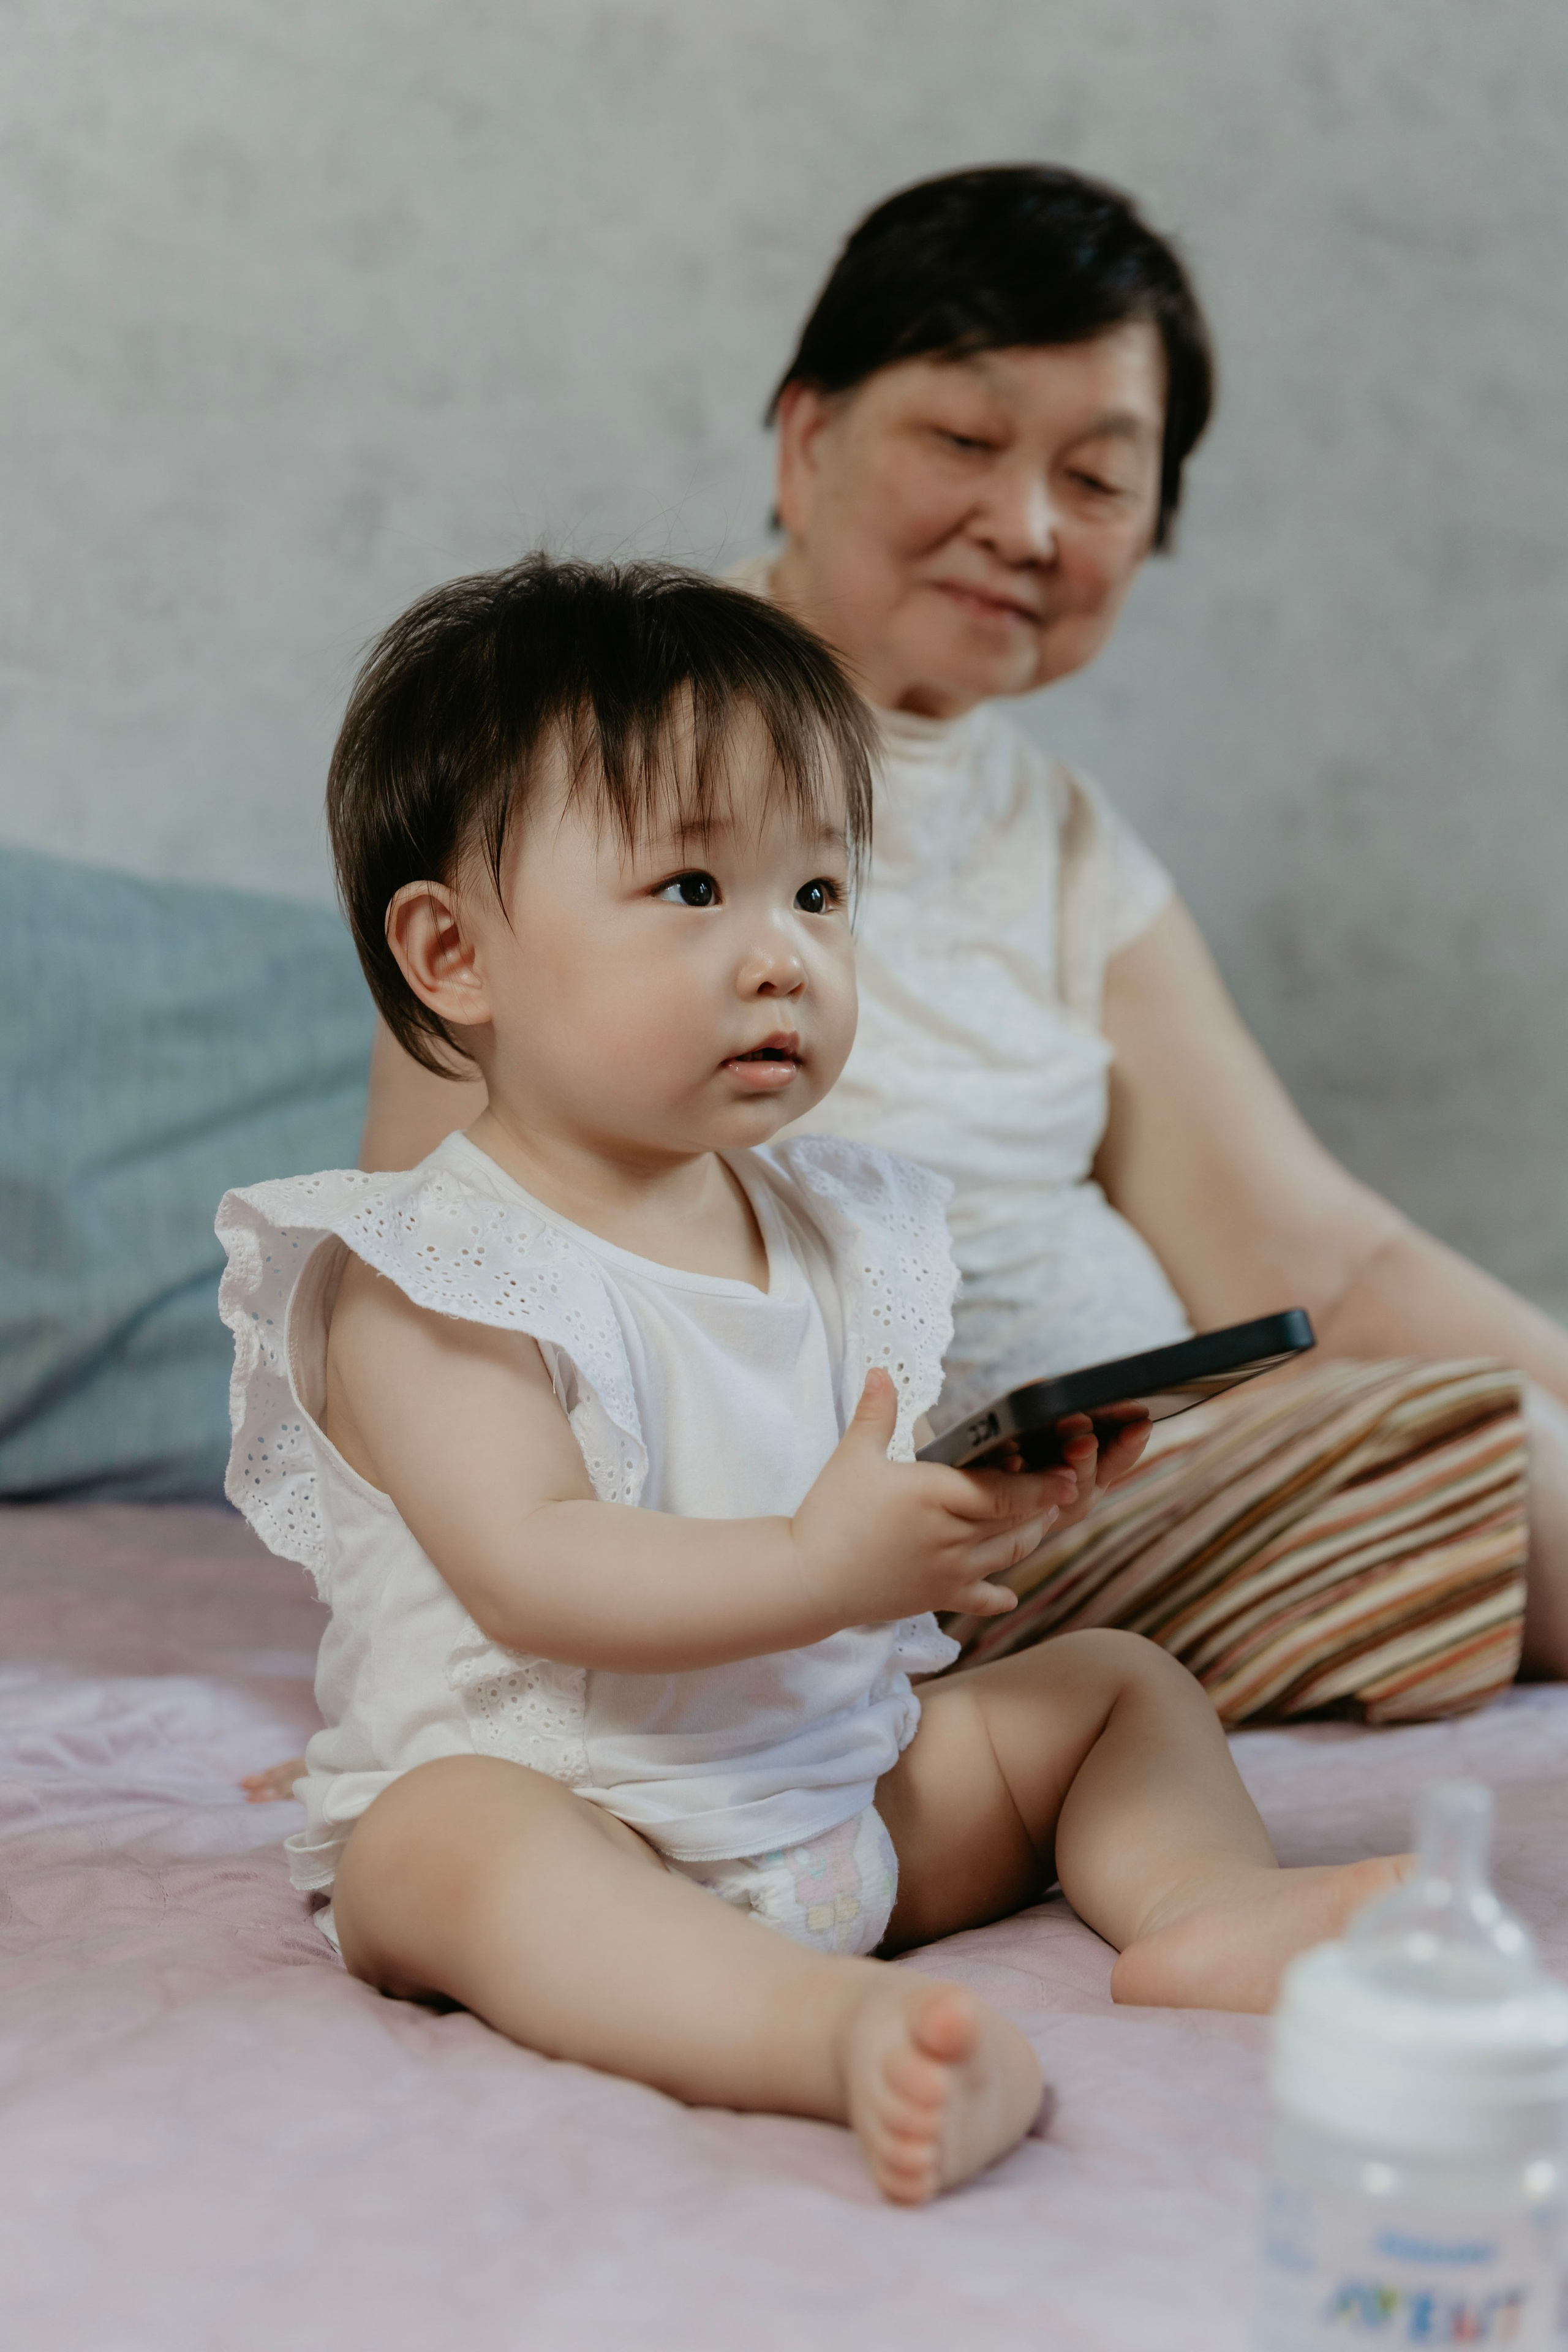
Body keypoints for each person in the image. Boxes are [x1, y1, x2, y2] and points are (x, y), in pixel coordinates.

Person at [219, 556, 1406, 2204]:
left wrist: (969, 1518)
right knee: (439, 1844)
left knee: (1116, 1686)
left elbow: (846, 1512)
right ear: (454, 956)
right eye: (694, 891)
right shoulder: (432, 1272)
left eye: (821, 895)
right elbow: (537, 1565)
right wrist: (816, 1567)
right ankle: (826, 2029)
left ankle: (1209, 1912)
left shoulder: (840, 1228)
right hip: (590, 1816)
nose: (781, 955)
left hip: (836, 1798)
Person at [341, 164, 1568, 1712]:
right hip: (871, 1541)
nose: (1026, 523)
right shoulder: (595, 753)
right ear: (805, 440)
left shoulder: (1061, 836)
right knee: (1495, 1457)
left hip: (1107, 1481)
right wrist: (427, 1658)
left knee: (1507, 1431)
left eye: (1100, 480)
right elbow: (431, 1239)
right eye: (963, 441)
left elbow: (1318, 1249)